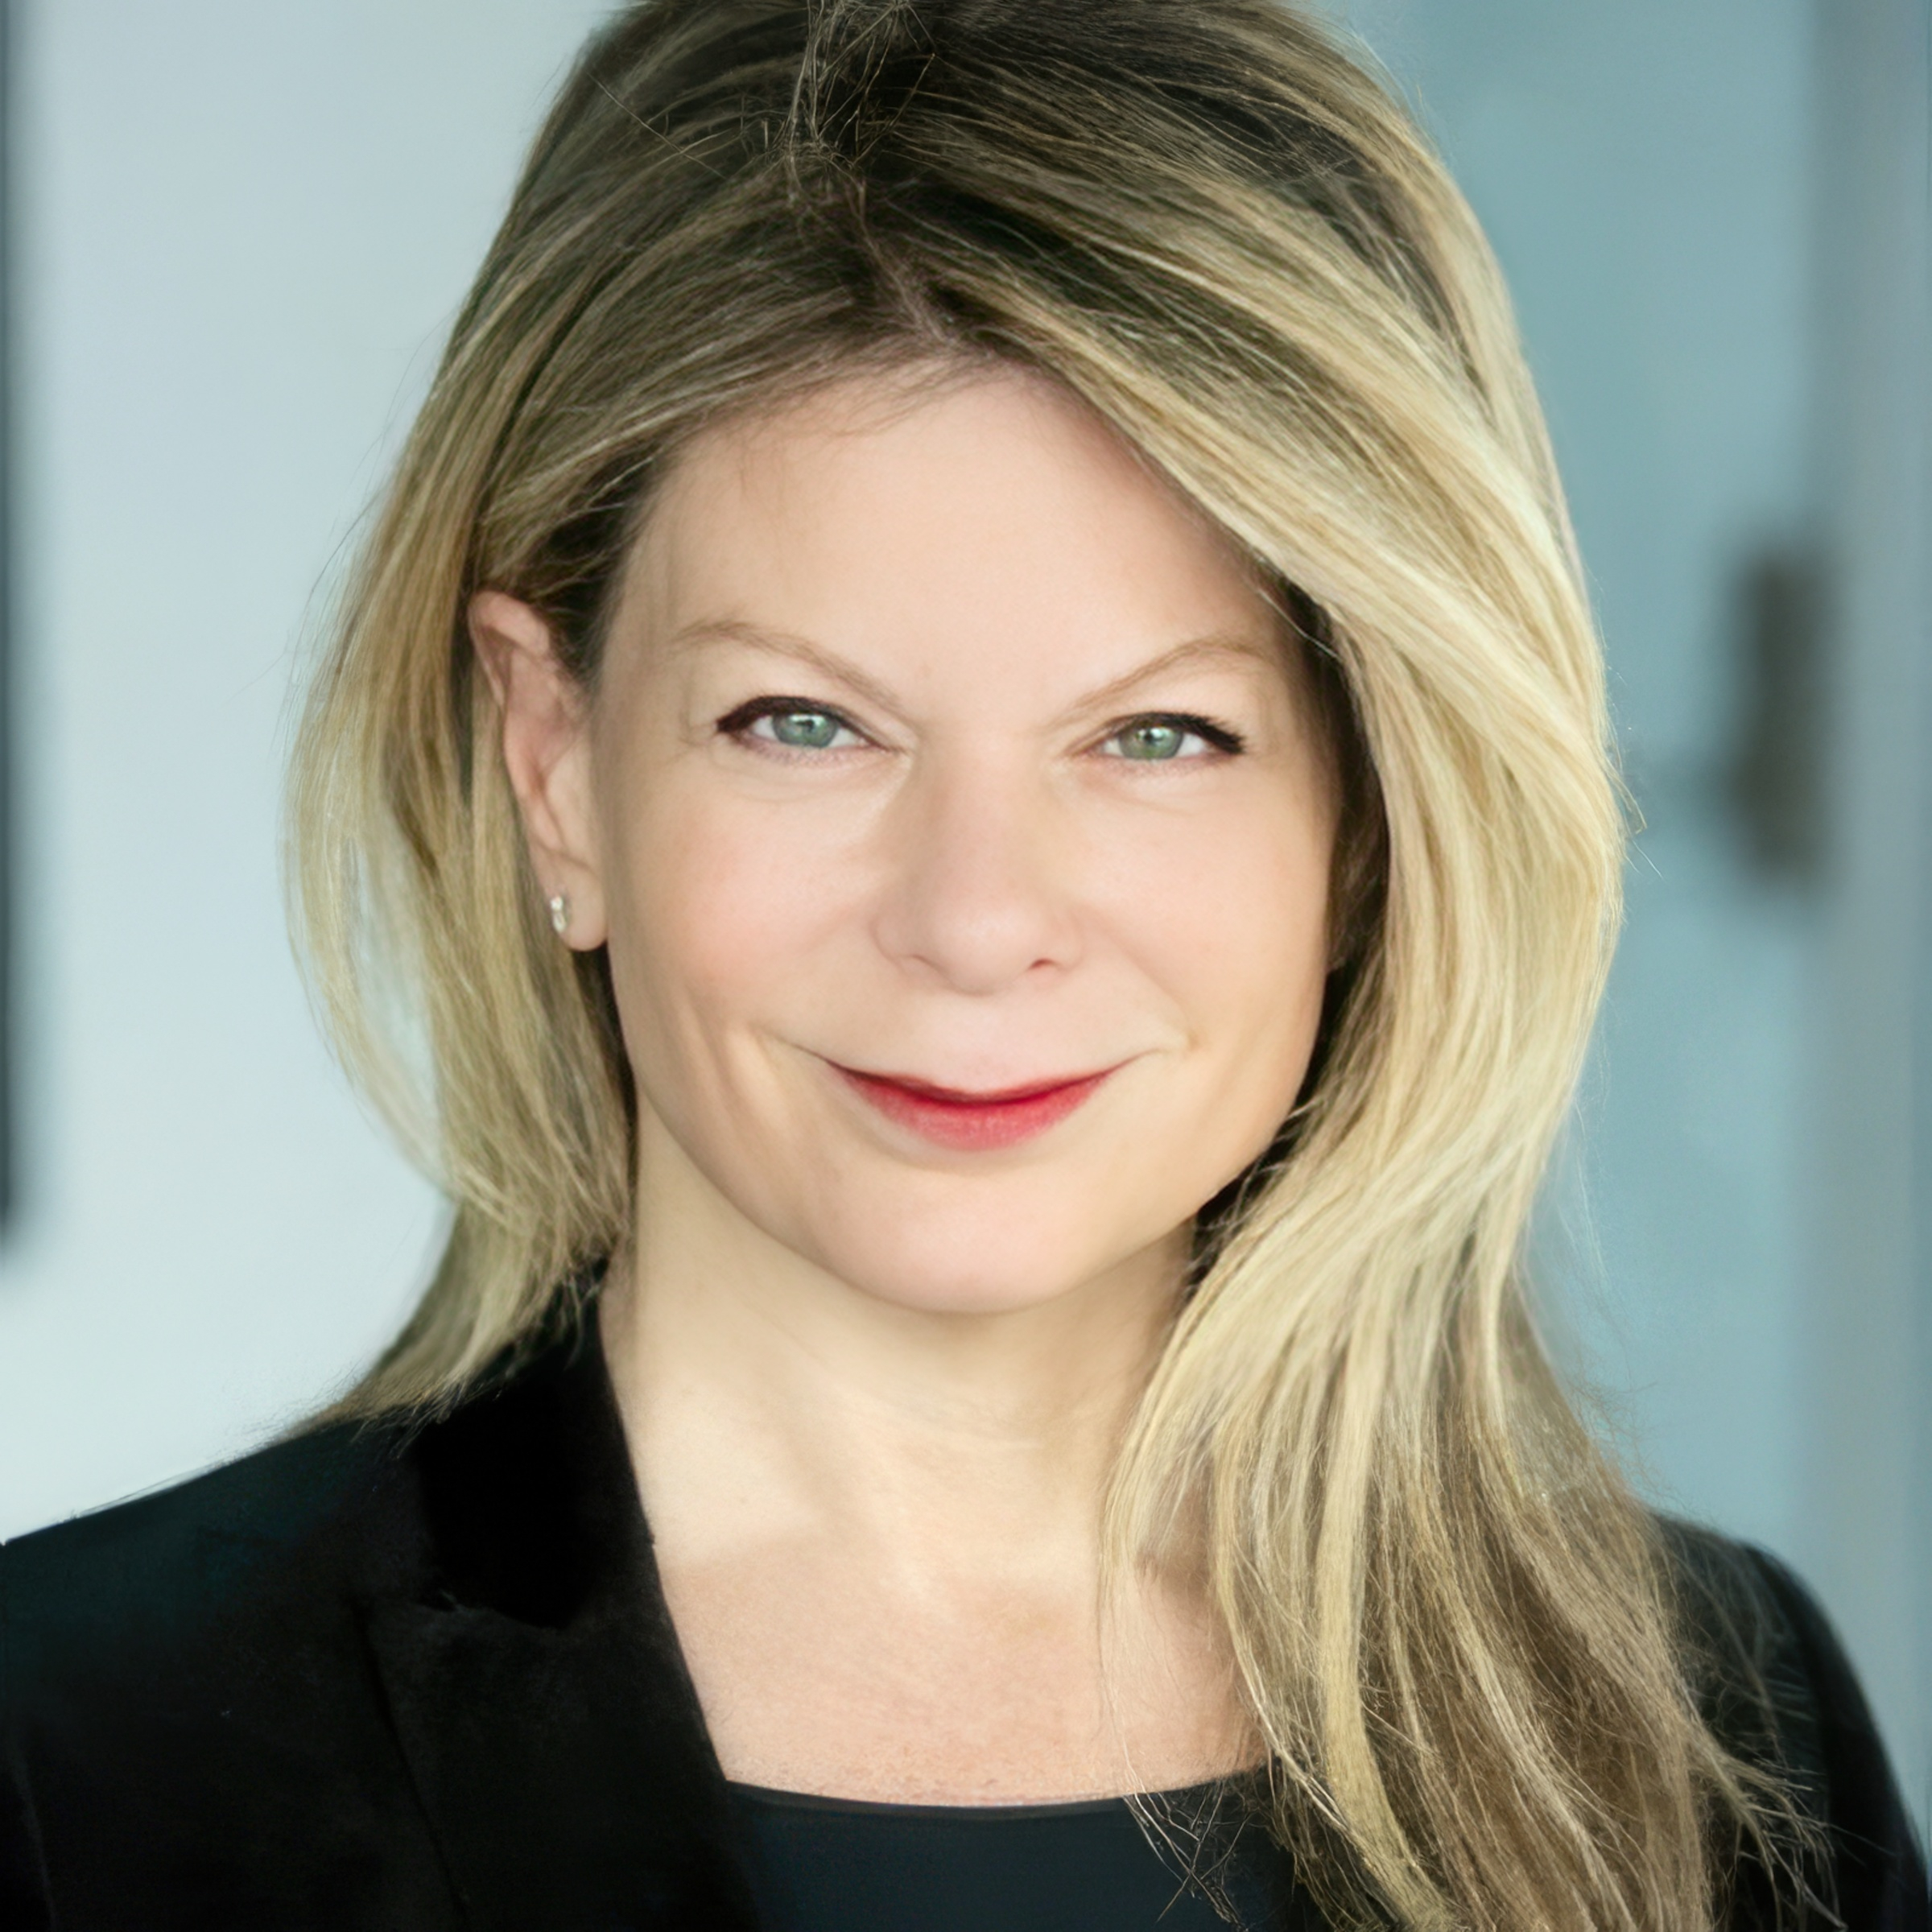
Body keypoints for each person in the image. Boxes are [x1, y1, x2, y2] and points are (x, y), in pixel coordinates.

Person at [2, 0, 1925, 1926]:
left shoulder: (1720, 1727)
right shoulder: (72, 1752)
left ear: (1367, 823)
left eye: (1160, 735)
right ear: (557, 765)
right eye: (802, 723)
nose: (977, 920)